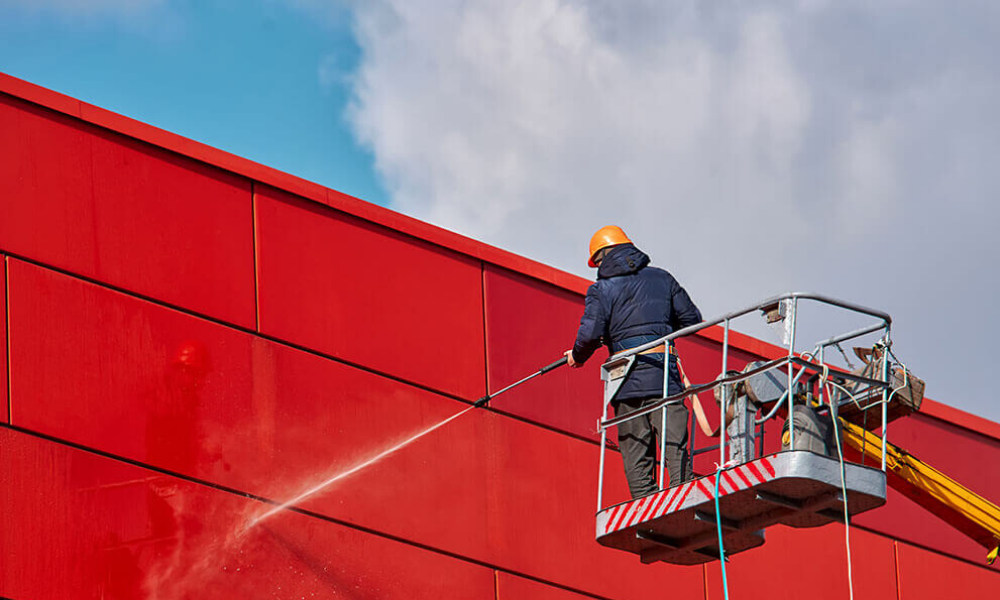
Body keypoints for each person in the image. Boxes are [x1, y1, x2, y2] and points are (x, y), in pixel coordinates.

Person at [566, 226, 702, 499]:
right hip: (664, 376)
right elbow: (692, 320)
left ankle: (646, 507)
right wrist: (658, 329)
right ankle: (683, 497)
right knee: (674, 444)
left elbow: (590, 334)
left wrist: (577, 356)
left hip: (625, 382)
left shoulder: (601, 290)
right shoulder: (663, 279)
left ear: (602, 257)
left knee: (635, 451)